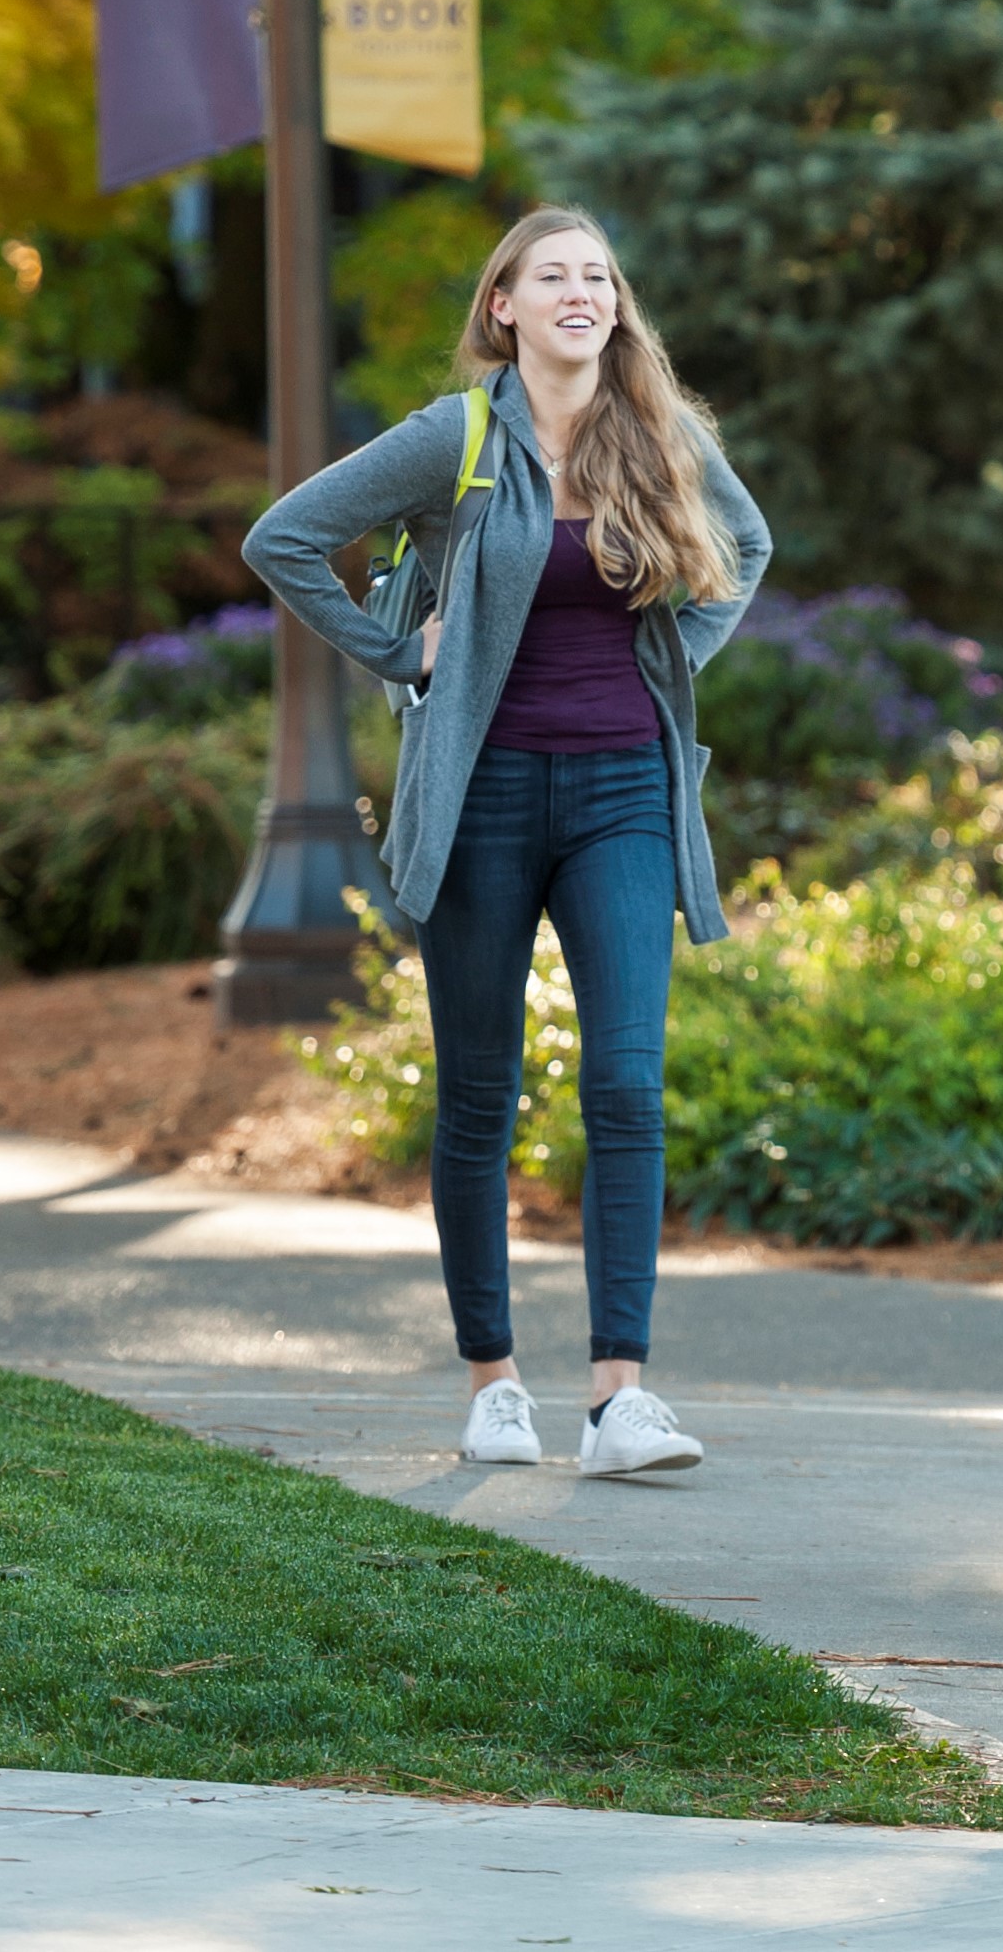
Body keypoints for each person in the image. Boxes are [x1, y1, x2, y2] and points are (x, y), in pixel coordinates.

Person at [243, 207, 769, 1478]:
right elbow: (286, 539)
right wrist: (398, 649)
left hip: (624, 795)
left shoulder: (656, 428)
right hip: (475, 793)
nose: (582, 292)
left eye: (599, 274)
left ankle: (619, 1397)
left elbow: (743, 548)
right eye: (554, 276)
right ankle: (493, 1380)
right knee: (478, 1093)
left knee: (628, 1085)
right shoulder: (459, 436)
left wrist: (671, 666)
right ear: (506, 308)